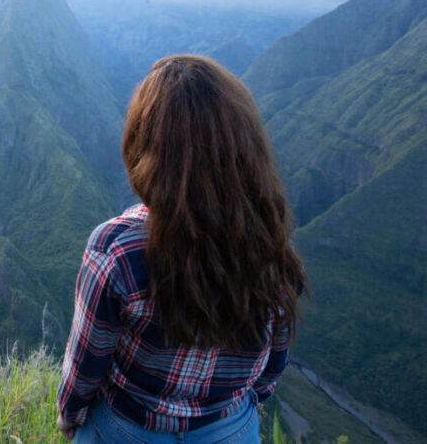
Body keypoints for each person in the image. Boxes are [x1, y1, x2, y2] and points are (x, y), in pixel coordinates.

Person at [57, 55, 307, 443]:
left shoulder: (116, 249)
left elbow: (86, 367)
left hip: (129, 430)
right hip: (230, 430)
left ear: (146, 147)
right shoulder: (271, 246)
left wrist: (69, 417)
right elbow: (272, 363)